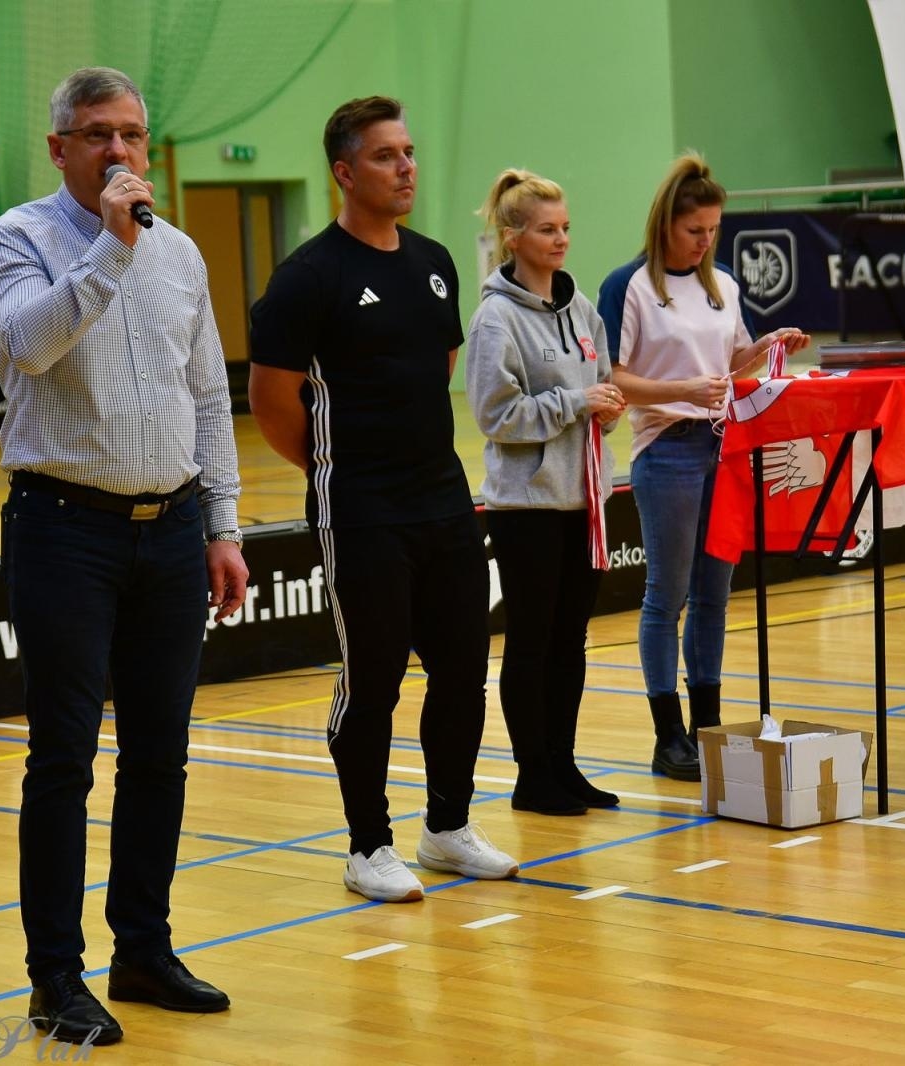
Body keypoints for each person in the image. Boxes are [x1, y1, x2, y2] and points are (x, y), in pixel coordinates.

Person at [0, 67, 247, 1046]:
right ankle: (55, 975)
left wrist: (222, 522)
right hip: (63, 528)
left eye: (131, 133)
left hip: (171, 528)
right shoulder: (17, 238)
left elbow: (207, 396)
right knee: (63, 759)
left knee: (161, 754)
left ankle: (143, 947)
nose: (118, 151)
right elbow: (31, 345)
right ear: (59, 148)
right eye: (96, 134)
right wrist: (109, 249)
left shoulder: (177, 254)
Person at [248, 97, 518, 905]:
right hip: (360, 511)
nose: (405, 167)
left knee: (464, 670)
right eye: (385, 156)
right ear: (343, 172)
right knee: (372, 680)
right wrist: (337, 467)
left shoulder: (434, 261)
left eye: (409, 152)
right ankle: (368, 846)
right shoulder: (307, 278)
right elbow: (271, 402)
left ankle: (446, 827)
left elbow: (431, 373)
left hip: (443, 502)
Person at [597, 154, 809, 780]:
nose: (706, 241)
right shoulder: (628, 285)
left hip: (722, 448)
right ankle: (668, 738)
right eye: (696, 231)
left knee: (715, 595)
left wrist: (766, 347)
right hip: (666, 452)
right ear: (666, 225)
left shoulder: (722, 285)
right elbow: (612, 378)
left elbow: (732, 361)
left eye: (714, 230)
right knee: (667, 595)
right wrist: (682, 390)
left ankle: (705, 728)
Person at [465, 169, 625, 816]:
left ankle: (564, 763)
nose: (561, 240)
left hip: (584, 500)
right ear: (512, 237)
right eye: (546, 229)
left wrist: (606, 406)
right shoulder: (495, 320)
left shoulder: (580, 307)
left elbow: (604, 378)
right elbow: (494, 416)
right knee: (531, 641)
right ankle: (533, 776)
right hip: (525, 506)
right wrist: (573, 403)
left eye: (565, 228)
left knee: (571, 639)